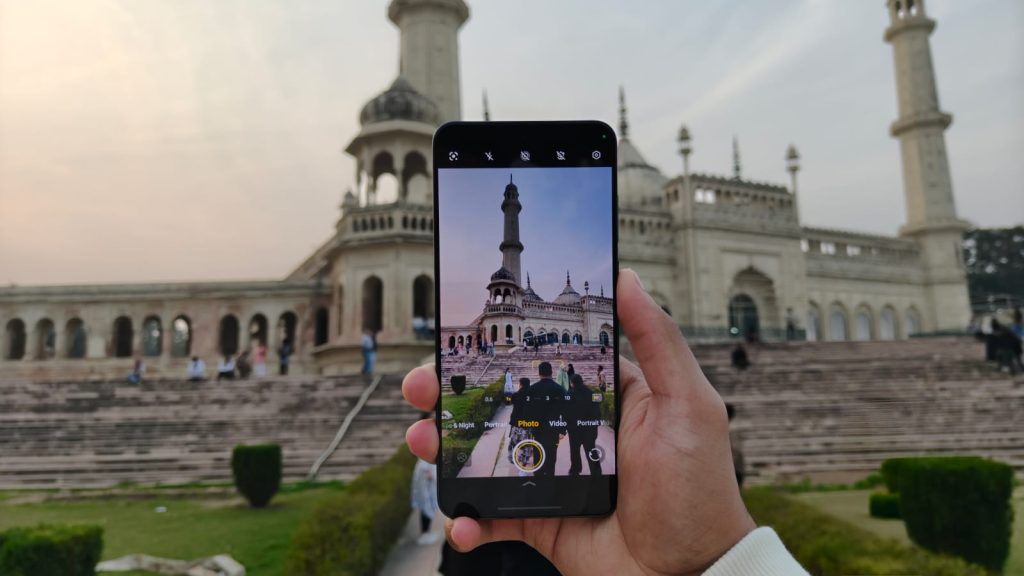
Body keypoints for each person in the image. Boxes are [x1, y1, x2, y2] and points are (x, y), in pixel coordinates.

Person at [402, 269, 809, 575]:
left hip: (519, 506)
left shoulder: (526, 392)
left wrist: (712, 554)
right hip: (564, 467)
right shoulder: (567, 391)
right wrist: (723, 557)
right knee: (574, 465)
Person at [523, 362, 566, 477]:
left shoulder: (532, 389)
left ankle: (538, 483)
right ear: (551, 372)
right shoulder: (560, 389)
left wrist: (529, 426)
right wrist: (562, 430)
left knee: (538, 457)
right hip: (553, 430)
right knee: (551, 460)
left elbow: (526, 411)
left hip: (537, 430)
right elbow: (566, 411)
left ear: (539, 373)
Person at [566, 374, 602, 477]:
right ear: (582, 381)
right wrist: (595, 424)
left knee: (574, 450)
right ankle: (596, 472)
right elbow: (597, 412)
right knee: (591, 450)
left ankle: (575, 470)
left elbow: (566, 412)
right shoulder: (593, 394)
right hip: (589, 429)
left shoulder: (569, 394)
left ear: (572, 383)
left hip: (574, 429)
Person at [411, 449, 440, 545]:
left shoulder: (424, 460)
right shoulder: (423, 462)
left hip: (428, 491)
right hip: (425, 492)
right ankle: (425, 533)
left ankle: (427, 532)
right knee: (425, 512)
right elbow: (427, 473)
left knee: (428, 510)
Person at [507, 377, 534, 475]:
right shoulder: (532, 395)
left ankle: (516, 461)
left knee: (514, 443)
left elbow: (513, 403)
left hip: (516, 424)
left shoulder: (515, 395)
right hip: (528, 424)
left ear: (520, 384)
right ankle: (524, 464)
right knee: (526, 444)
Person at [726, 403, 746, 488]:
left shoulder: (731, 430)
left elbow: (735, 450)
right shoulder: (731, 428)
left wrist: (729, 467)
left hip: (734, 468)